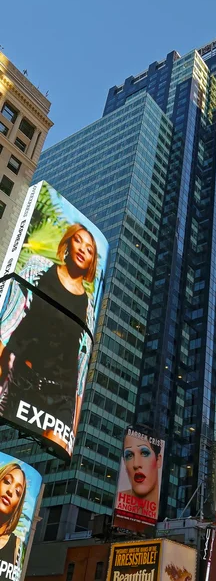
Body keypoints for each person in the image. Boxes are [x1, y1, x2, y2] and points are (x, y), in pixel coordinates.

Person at [0, 224, 97, 450]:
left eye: (90, 249)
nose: (83, 249)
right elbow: (7, 325)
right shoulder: (38, 268)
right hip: (21, 381)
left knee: (56, 443)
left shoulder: (89, 309)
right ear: (67, 244)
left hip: (61, 396)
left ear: (92, 262)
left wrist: (71, 436)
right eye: (78, 241)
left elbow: (81, 374)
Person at [118, 431, 163, 520]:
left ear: (158, 460)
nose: (136, 464)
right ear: (124, 463)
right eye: (129, 455)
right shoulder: (119, 504)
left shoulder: (164, 510)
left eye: (144, 453)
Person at [0, 462, 26, 578]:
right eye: (7, 482)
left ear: (17, 505)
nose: (10, 491)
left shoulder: (17, 546)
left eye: (18, 492)